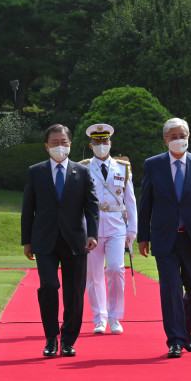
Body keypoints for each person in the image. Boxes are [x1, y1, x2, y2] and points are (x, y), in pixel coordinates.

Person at [137, 117, 191, 358]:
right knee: (171, 290)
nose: (178, 140)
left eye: (182, 136)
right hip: (165, 239)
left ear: (188, 138)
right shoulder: (153, 165)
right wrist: (143, 236)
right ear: (165, 140)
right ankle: (175, 339)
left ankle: (185, 330)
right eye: (173, 137)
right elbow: (146, 204)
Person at [21, 124, 99, 357]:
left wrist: (92, 234)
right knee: (49, 286)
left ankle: (67, 340)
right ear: (47, 146)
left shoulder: (82, 172)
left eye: (63, 141)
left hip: (75, 240)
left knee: (74, 292)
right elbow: (28, 208)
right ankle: (50, 338)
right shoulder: (36, 171)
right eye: (54, 142)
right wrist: (27, 241)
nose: (59, 146)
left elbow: (92, 205)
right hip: (44, 239)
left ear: (70, 144)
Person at [81, 123, 137, 335]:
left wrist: (132, 230)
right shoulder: (84, 167)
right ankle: (99, 317)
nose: (101, 145)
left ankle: (114, 316)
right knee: (93, 275)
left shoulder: (123, 167)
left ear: (110, 143)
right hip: (91, 226)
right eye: (97, 142)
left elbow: (130, 200)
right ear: (91, 144)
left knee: (115, 268)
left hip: (116, 224)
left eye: (105, 141)